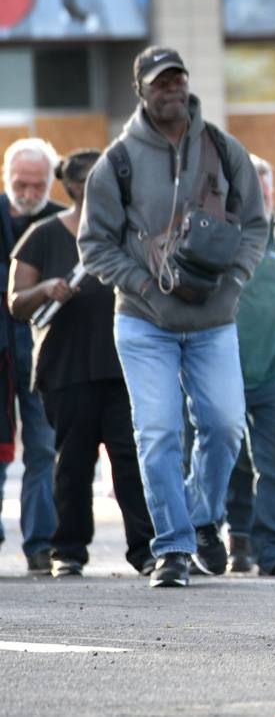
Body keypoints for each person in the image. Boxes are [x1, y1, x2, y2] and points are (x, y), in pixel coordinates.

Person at [79, 46, 267, 587]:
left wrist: (235, 281)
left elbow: (256, 225)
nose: (172, 89)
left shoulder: (224, 149)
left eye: (178, 79)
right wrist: (142, 284)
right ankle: (173, 546)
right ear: (141, 90)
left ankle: (202, 515)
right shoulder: (116, 162)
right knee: (158, 433)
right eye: (161, 82)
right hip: (143, 322)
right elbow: (93, 245)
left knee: (225, 426)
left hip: (213, 320)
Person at [8, 150, 154, 577]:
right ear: (73, 187)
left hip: (123, 365)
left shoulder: (128, 233)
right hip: (66, 368)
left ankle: (145, 549)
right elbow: (16, 302)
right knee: (72, 462)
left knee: (129, 459)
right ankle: (68, 550)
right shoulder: (43, 235)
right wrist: (45, 289)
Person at [224, 155, 275, 577]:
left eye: (266, 192)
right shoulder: (217, 241)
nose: (261, 200)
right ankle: (236, 538)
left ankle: (272, 549)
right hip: (220, 374)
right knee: (229, 460)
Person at [0, 138, 63, 572]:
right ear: (6, 177)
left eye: (37, 184)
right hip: (3, 348)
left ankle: (41, 544)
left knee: (43, 447)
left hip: (44, 348)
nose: (27, 192)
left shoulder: (61, 222)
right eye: (20, 183)